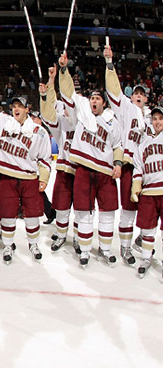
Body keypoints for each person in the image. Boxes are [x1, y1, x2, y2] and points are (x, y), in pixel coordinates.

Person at [58, 53, 123, 268]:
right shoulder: (81, 113)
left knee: (108, 212)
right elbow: (68, 93)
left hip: (105, 173)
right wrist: (64, 70)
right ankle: (85, 251)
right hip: (84, 170)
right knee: (83, 211)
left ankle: (105, 248)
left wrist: (118, 164)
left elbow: (117, 145)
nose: (93, 101)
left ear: (103, 103)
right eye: (92, 98)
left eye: (97, 99)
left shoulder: (111, 121)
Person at [0, 94, 52, 264]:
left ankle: (33, 244)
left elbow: (45, 158)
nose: (16, 109)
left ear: (27, 110)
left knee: (31, 216)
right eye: (14, 106)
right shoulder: (4, 122)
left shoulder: (40, 132)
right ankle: (7, 245)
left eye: (20, 106)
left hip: (29, 178)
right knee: (7, 215)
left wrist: (43, 179)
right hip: (7, 177)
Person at [104, 45, 150, 265]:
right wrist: (110, 64)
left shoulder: (153, 118)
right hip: (129, 165)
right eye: (137, 93)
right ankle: (125, 246)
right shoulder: (125, 108)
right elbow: (114, 89)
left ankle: (143, 238)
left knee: (150, 205)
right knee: (129, 207)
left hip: (149, 170)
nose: (139, 96)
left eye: (143, 94)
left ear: (147, 100)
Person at [40, 65, 80, 254]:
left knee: (82, 209)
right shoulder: (61, 124)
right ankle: (62, 234)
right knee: (62, 207)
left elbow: (69, 96)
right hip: (65, 170)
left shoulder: (84, 123)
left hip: (82, 170)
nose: (65, 111)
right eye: (63, 109)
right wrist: (51, 81)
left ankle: (80, 238)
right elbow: (49, 110)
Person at [131, 106, 163, 278]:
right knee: (148, 229)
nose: (157, 122)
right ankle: (146, 258)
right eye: (155, 119)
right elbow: (138, 167)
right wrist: (136, 186)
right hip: (149, 191)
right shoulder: (144, 145)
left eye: (160, 119)